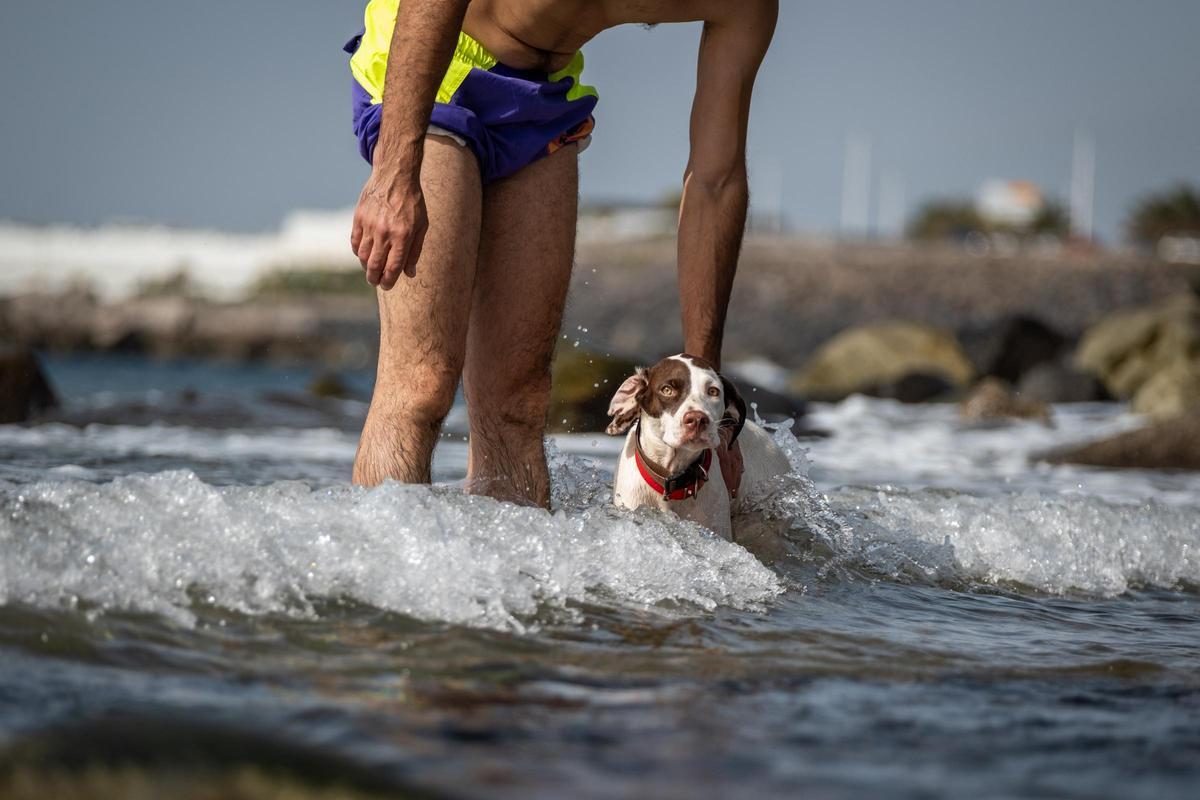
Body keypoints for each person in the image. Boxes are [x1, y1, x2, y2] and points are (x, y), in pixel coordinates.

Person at [346, 0, 778, 508]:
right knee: (422, 385)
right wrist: (396, 171)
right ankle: (381, 580)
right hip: (435, 65)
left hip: (541, 93)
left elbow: (716, 181)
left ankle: (512, 583)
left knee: (520, 402)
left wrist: (706, 391)